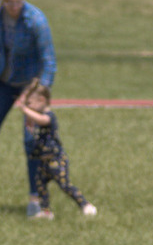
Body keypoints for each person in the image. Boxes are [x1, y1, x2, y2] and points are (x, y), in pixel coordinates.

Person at [0, 0, 55, 215]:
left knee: (31, 141)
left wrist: (35, 96)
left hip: (30, 86)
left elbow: (49, 63)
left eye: (19, 1)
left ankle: (36, 198)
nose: (14, 7)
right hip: (5, 81)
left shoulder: (36, 21)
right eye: (10, 2)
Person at [16, 81, 98, 220]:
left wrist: (25, 110)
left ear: (42, 100)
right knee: (40, 185)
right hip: (43, 161)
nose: (29, 107)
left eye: (31, 103)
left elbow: (42, 120)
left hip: (56, 160)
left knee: (64, 185)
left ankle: (85, 205)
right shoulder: (38, 116)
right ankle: (46, 211)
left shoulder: (49, 116)